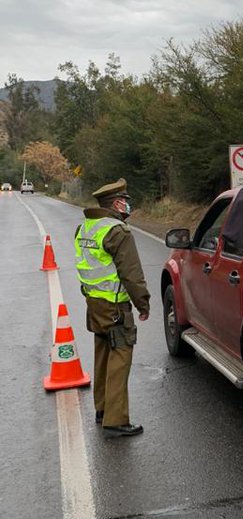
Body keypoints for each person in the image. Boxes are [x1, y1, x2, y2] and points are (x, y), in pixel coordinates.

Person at [75, 178, 150, 438]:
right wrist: (143, 303)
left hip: (94, 303)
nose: (128, 205)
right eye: (125, 201)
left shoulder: (85, 227)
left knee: (103, 354)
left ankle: (102, 409)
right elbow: (131, 274)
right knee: (120, 356)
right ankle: (115, 420)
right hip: (115, 305)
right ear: (117, 203)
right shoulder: (118, 232)